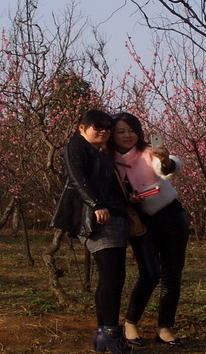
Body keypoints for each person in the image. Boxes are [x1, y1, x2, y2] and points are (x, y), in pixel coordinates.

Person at [51, 109, 133, 354]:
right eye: (97, 126)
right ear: (81, 128)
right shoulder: (77, 146)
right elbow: (78, 178)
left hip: (112, 218)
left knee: (111, 277)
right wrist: (97, 204)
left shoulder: (98, 152)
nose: (104, 131)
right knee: (113, 277)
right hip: (99, 220)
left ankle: (102, 334)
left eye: (107, 127)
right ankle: (111, 334)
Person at [109, 112, 190, 347]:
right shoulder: (107, 159)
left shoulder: (148, 152)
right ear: (112, 135)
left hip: (171, 216)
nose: (127, 135)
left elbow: (168, 165)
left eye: (131, 130)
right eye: (121, 131)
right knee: (150, 273)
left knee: (172, 274)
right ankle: (131, 322)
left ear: (139, 132)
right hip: (140, 223)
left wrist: (165, 161)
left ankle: (165, 328)